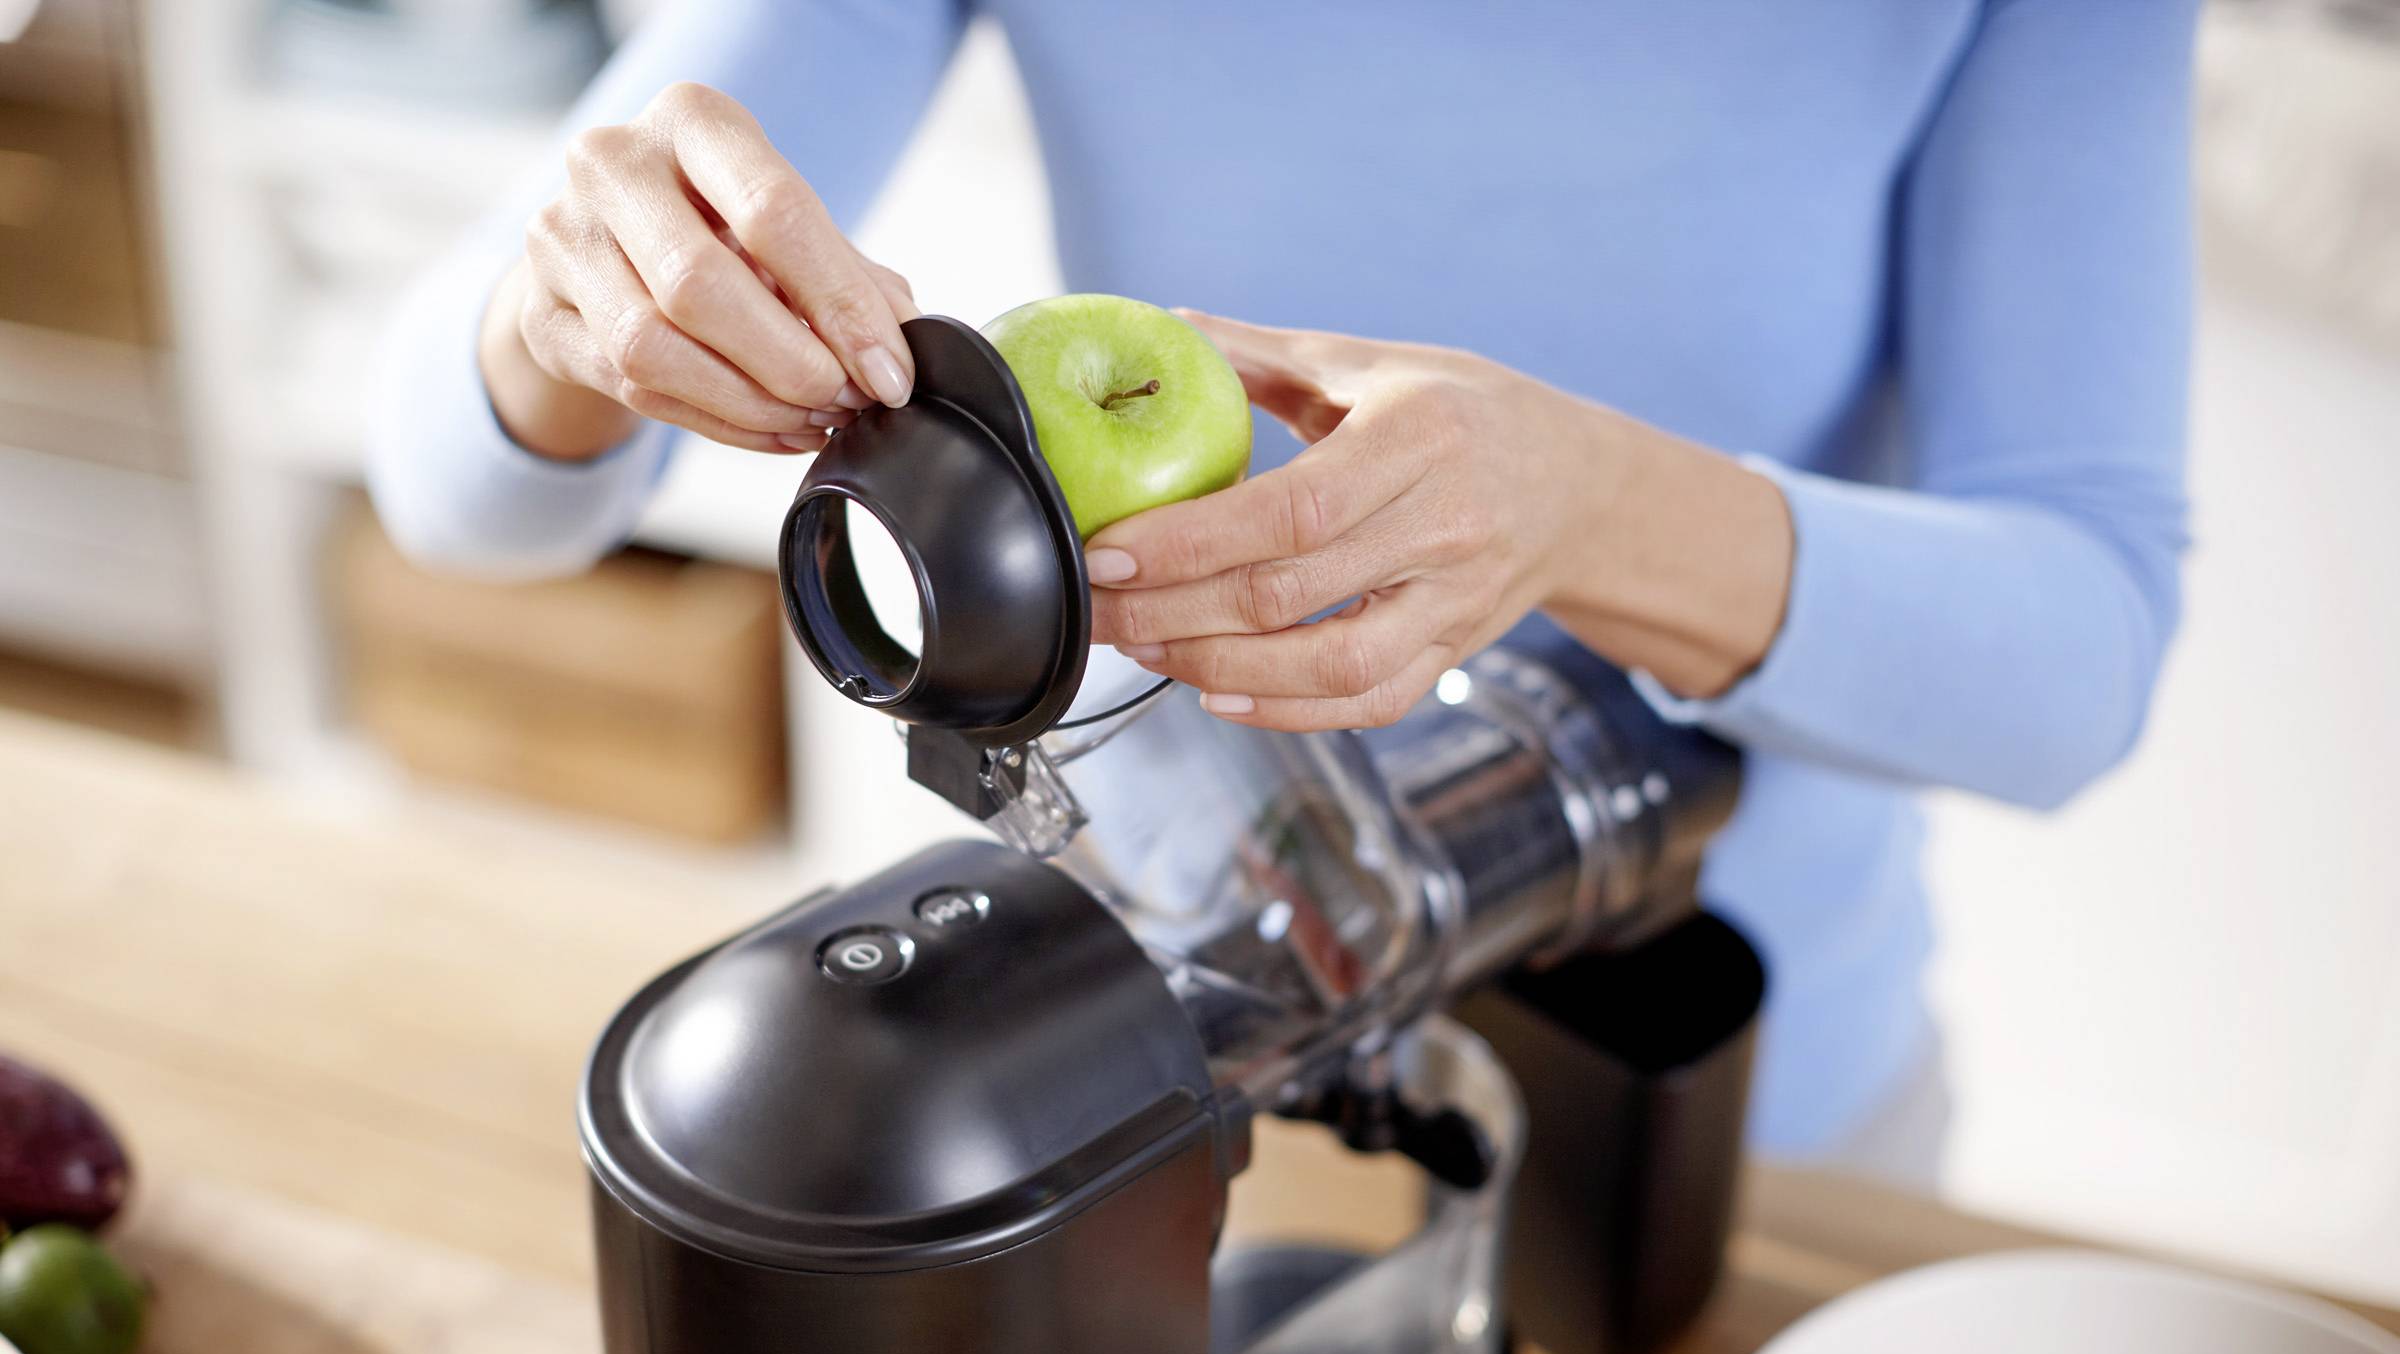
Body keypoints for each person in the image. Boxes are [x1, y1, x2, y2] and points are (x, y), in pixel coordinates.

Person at [366, 1, 2198, 1187]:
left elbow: (2083, 655)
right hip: (1191, 1047)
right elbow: (453, 488)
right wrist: (569, 306)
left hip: (1743, 1119)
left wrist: (1585, 509)